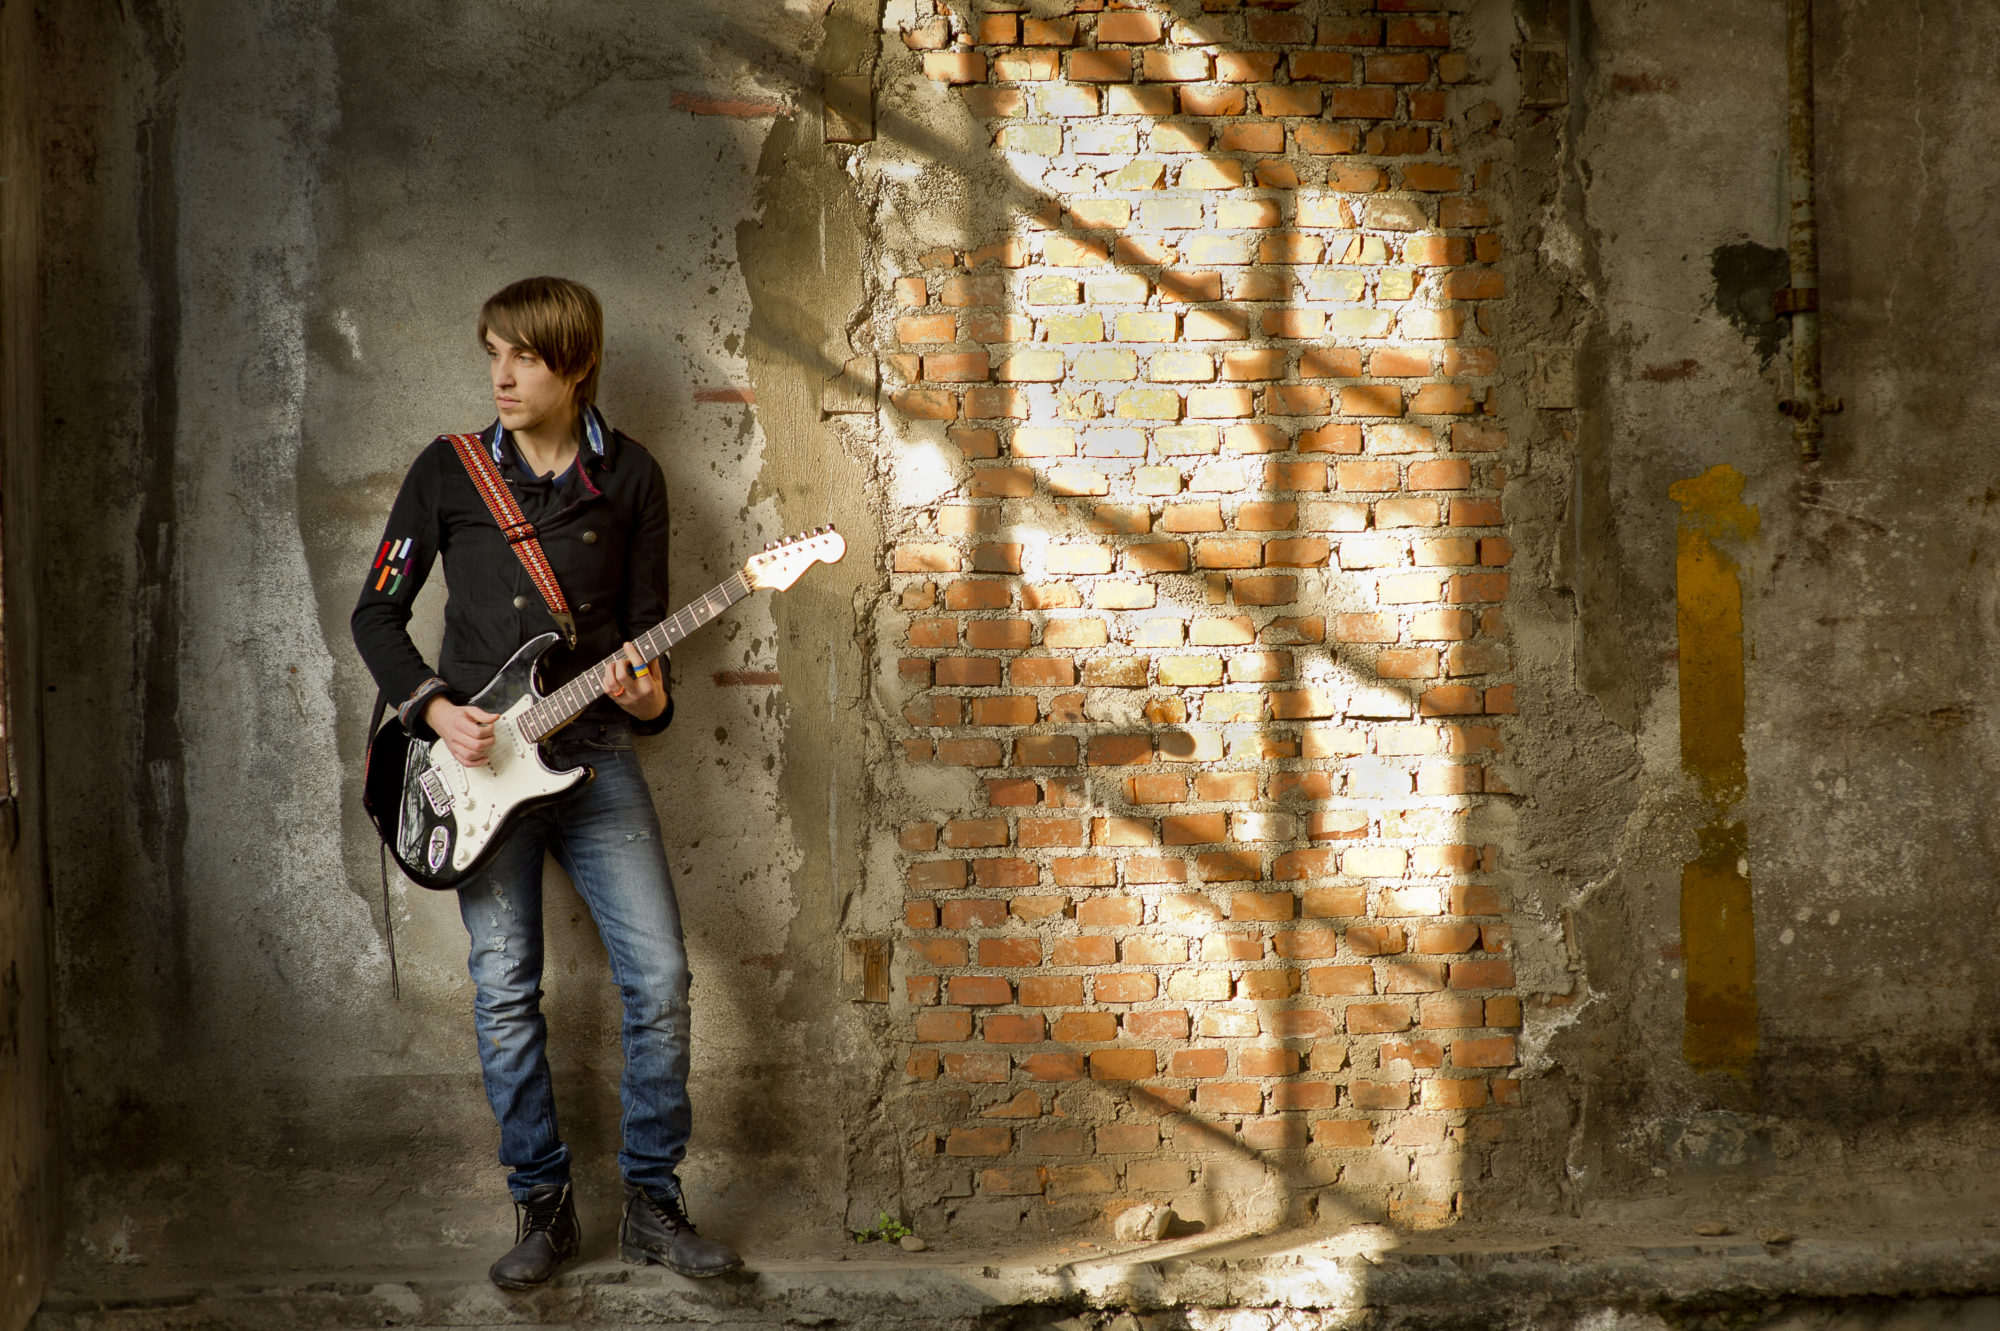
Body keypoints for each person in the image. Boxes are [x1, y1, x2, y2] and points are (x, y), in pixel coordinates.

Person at [351, 276, 740, 1289]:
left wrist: (650, 699)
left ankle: (652, 1204)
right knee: (505, 988)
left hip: (597, 754)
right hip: (476, 773)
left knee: (658, 978)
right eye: (493, 351)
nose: (502, 373)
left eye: (522, 355)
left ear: (575, 366)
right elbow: (374, 617)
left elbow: (649, 660)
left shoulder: (636, 479)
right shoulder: (447, 472)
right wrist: (437, 709)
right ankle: (542, 1205)